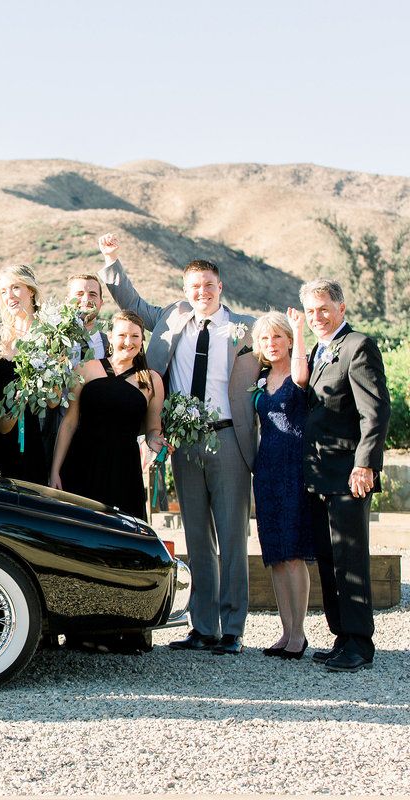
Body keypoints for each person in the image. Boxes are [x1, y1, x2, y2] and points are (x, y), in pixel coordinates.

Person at [98, 232, 257, 655]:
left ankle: (233, 628)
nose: (201, 292)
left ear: (220, 287)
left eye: (208, 285)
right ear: (185, 291)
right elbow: (130, 302)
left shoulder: (245, 330)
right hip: (184, 443)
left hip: (229, 439)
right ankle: (203, 627)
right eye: (193, 287)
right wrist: (112, 260)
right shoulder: (172, 317)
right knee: (197, 537)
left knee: (232, 537)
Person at [300, 279, 391, 672]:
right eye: (310, 311)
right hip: (320, 475)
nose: (317, 317)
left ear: (341, 309)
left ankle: (359, 643)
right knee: (328, 558)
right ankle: (341, 636)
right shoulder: (322, 350)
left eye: (323, 309)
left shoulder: (358, 346)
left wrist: (365, 464)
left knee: (350, 559)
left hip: (349, 472)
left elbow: (376, 412)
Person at [234, 310, 316, 660]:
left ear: (288, 340)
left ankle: (299, 633)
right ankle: (285, 631)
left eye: (277, 337)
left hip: (294, 467)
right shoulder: (262, 376)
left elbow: (300, 378)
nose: (271, 344)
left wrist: (298, 329)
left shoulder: (299, 370)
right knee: (277, 555)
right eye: (265, 339)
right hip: (266, 468)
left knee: (295, 552)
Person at [50, 310, 166, 519]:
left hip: (124, 469)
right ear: (110, 336)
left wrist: (158, 441)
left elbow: (152, 429)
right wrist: (55, 470)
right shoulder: (85, 368)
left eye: (134, 336)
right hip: (82, 462)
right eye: (122, 335)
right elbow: (69, 423)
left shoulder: (151, 381)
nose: (128, 341)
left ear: (142, 341)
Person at [41, 274, 111, 465]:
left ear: (101, 302)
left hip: (95, 435)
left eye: (92, 294)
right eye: (79, 294)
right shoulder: (51, 339)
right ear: (66, 301)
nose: (86, 299)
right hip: (55, 428)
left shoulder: (108, 343)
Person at [0, 264, 48, 484]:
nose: (9, 296)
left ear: (31, 290)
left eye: (15, 288)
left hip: (34, 433)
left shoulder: (49, 336)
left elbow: (54, 400)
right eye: (3, 291)